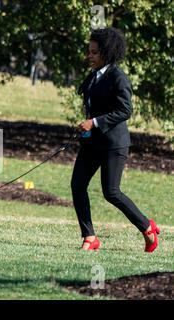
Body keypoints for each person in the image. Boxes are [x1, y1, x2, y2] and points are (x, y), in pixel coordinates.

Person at [72, 27, 160, 252]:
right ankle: (90, 237)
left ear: (107, 53)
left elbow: (125, 109)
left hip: (114, 144)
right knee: (77, 185)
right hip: (92, 143)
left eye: (93, 52)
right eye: (88, 51)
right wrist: (87, 127)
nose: (89, 56)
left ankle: (146, 227)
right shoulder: (93, 76)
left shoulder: (118, 77)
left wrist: (95, 122)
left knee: (111, 192)